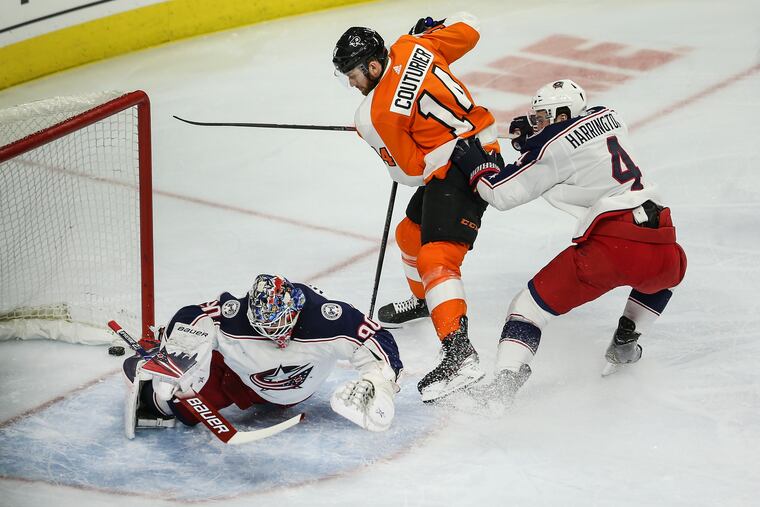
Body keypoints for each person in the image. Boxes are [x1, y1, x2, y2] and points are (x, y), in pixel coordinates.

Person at [455, 79, 687, 406]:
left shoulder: (552, 147)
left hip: (614, 244)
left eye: (543, 117)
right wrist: (536, 137)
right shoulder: (610, 115)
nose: (538, 123)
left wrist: (476, 166)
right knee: (661, 277)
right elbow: (575, 143)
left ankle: (503, 385)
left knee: (527, 309)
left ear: (562, 113)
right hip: (664, 238)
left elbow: (501, 194)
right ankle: (627, 336)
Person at [332, 13, 502, 402]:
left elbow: (408, 172)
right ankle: (429, 302)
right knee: (409, 234)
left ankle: (460, 354)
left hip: (463, 167)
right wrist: (431, 27)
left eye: (354, 76)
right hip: (479, 144)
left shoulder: (374, 115)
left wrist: (377, 139)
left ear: (373, 65)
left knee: (436, 259)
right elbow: (471, 27)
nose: (352, 84)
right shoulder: (413, 45)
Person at [122, 274, 403, 438]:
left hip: (291, 390)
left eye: (282, 325)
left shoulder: (327, 317)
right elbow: (192, 315)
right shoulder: (234, 315)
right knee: (176, 405)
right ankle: (149, 381)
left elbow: (378, 338)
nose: (277, 336)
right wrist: (175, 357)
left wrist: (380, 379)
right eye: (267, 328)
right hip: (238, 377)